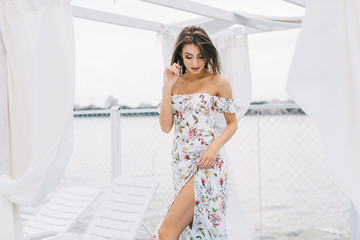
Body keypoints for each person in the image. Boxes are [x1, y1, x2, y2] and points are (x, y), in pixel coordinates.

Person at [151, 25, 252, 240]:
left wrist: (214, 148)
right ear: (180, 55)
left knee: (166, 231)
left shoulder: (219, 82)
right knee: (191, 232)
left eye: (200, 56)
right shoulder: (175, 83)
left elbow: (232, 124)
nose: (195, 63)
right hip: (181, 164)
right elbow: (166, 127)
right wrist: (166, 87)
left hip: (207, 164)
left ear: (207, 54)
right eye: (188, 57)